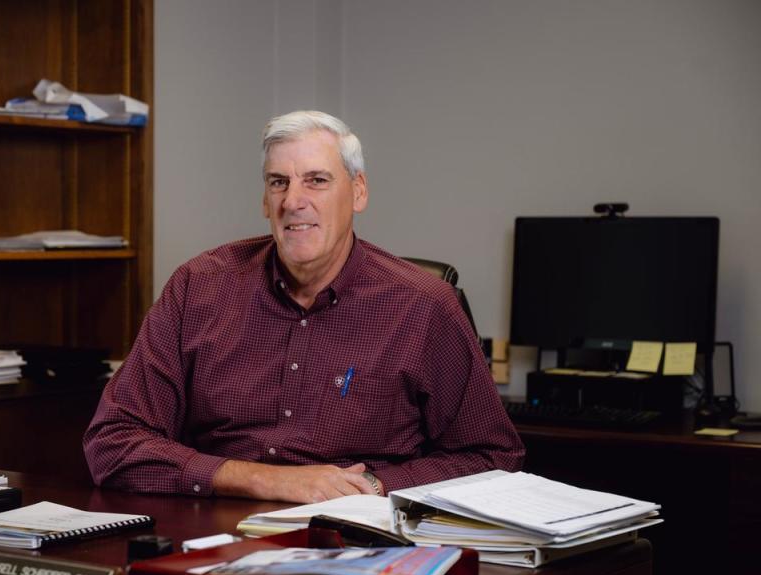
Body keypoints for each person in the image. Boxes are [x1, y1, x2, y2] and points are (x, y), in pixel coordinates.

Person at [84, 110, 524, 503]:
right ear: (264, 200)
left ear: (358, 192)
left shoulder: (424, 307)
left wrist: (375, 485)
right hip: (213, 531)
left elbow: (491, 455)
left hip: (356, 534)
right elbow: (113, 441)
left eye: (316, 180)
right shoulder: (198, 288)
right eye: (279, 182)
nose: (293, 200)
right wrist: (264, 480)